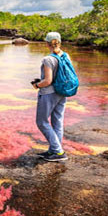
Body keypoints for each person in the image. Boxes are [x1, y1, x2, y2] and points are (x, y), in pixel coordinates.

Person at [33, 32, 68, 161]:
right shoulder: (65, 55)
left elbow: (47, 81)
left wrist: (37, 85)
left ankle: (58, 152)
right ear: (59, 42)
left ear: (47, 43)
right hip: (62, 92)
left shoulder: (48, 59)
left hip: (48, 93)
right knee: (57, 121)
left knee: (41, 122)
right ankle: (54, 150)